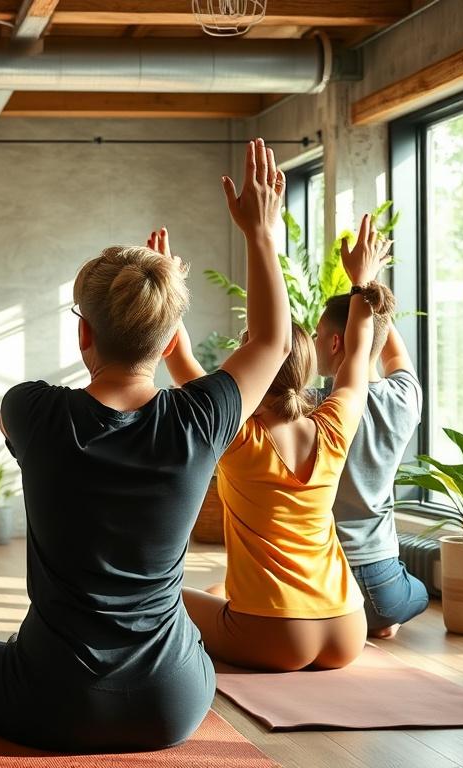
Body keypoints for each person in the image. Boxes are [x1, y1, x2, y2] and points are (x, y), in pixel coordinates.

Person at [0, 139, 292, 752]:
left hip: (57, 699)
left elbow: (30, 426)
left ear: (84, 330)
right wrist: (260, 233)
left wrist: (146, 303)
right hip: (175, 704)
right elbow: (272, 340)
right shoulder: (199, 419)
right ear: (168, 344)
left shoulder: (31, 410)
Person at [171, 214, 395, 672]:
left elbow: (178, 354)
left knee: (164, 598)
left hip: (272, 635)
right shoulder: (334, 424)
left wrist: (167, 291)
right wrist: (362, 283)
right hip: (348, 626)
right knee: (218, 589)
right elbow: (357, 352)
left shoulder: (235, 433)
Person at [314, 292, 428, 639]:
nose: (315, 342)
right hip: (384, 586)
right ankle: (379, 621)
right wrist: (369, 295)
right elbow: (394, 353)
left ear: (336, 343)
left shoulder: (315, 407)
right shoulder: (406, 397)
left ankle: (353, 623)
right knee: (420, 593)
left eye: (318, 335)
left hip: (325, 580)